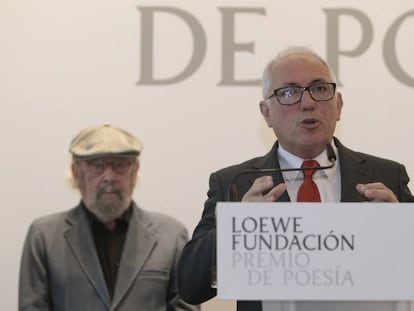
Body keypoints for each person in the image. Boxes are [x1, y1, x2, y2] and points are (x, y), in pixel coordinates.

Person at [176, 47, 414, 311]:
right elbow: (190, 286)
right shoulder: (235, 183)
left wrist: (401, 232)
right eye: (289, 92)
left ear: (339, 105)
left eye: (320, 89)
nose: (308, 103)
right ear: (266, 113)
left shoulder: (387, 177)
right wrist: (236, 229)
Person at [19, 123, 199, 311]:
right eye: (98, 166)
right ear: (76, 172)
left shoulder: (171, 236)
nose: (109, 176)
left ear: (135, 170)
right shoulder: (44, 237)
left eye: (120, 165)